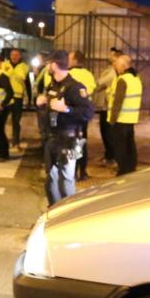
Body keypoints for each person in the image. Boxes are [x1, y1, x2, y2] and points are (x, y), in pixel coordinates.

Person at [36, 50, 95, 205]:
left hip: (69, 139)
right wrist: (43, 103)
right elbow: (49, 109)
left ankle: (69, 215)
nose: (47, 66)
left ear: (54, 65)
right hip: (52, 138)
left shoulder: (75, 87)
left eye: (48, 63)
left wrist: (66, 109)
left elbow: (88, 112)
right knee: (51, 179)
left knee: (66, 180)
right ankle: (54, 212)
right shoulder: (52, 85)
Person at [106, 50, 141, 175]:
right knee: (130, 146)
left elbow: (118, 102)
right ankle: (131, 168)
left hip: (120, 120)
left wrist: (112, 119)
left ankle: (123, 171)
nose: (116, 69)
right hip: (130, 119)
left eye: (116, 66)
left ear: (123, 66)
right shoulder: (136, 78)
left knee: (120, 148)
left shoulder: (123, 80)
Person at [68, 53, 98, 181]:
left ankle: (72, 171)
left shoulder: (70, 75)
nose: (67, 60)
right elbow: (91, 90)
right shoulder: (88, 74)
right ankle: (83, 171)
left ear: (75, 60)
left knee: (72, 142)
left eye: (69, 58)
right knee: (82, 141)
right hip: (84, 114)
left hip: (71, 113)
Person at [95, 49, 119, 165]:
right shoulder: (110, 70)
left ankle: (111, 156)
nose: (108, 56)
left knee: (108, 133)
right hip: (105, 105)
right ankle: (109, 155)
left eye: (111, 54)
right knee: (105, 132)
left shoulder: (113, 72)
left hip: (109, 106)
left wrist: (94, 84)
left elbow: (100, 82)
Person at [6, 48, 30, 151]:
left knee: (16, 121)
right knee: (1, 120)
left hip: (17, 98)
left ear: (20, 56)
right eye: (12, 55)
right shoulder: (4, 65)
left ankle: (15, 142)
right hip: (6, 97)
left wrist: (29, 97)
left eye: (16, 55)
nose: (14, 57)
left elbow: (27, 83)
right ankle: (3, 142)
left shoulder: (24, 67)